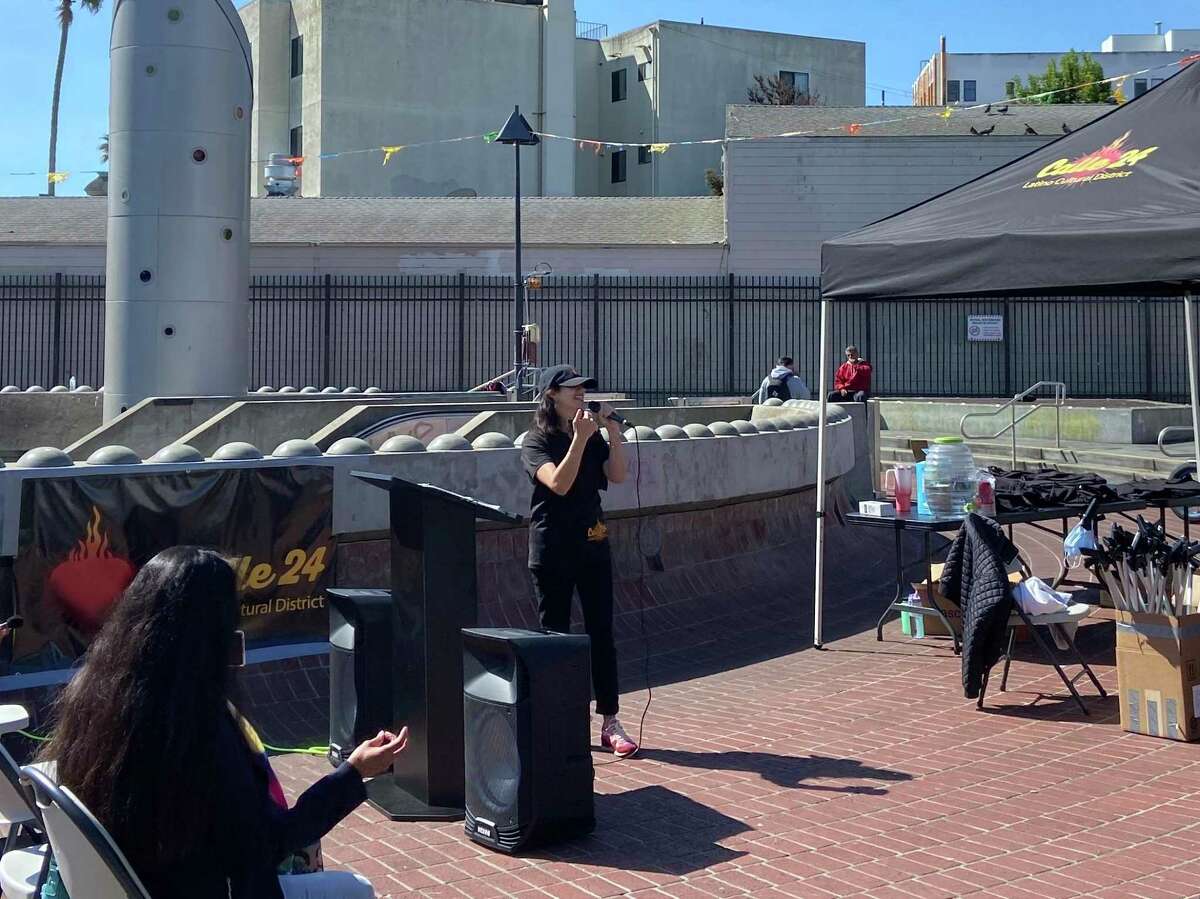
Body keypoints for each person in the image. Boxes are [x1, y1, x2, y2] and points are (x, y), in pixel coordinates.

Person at [39, 547, 407, 899]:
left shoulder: (91, 697)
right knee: (355, 888)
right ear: (211, 639)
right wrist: (353, 773)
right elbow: (270, 843)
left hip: (138, 885)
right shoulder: (199, 732)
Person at [520, 365, 638, 758]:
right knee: (555, 636)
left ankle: (610, 720)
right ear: (551, 394)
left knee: (601, 633)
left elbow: (617, 476)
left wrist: (613, 435)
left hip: (593, 541)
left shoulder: (590, 432)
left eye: (583, 389)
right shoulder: (536, 440)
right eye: (572, 389)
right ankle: (561, 718)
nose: (581, 395)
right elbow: (558, 483)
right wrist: (580, 440)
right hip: (553, 547)